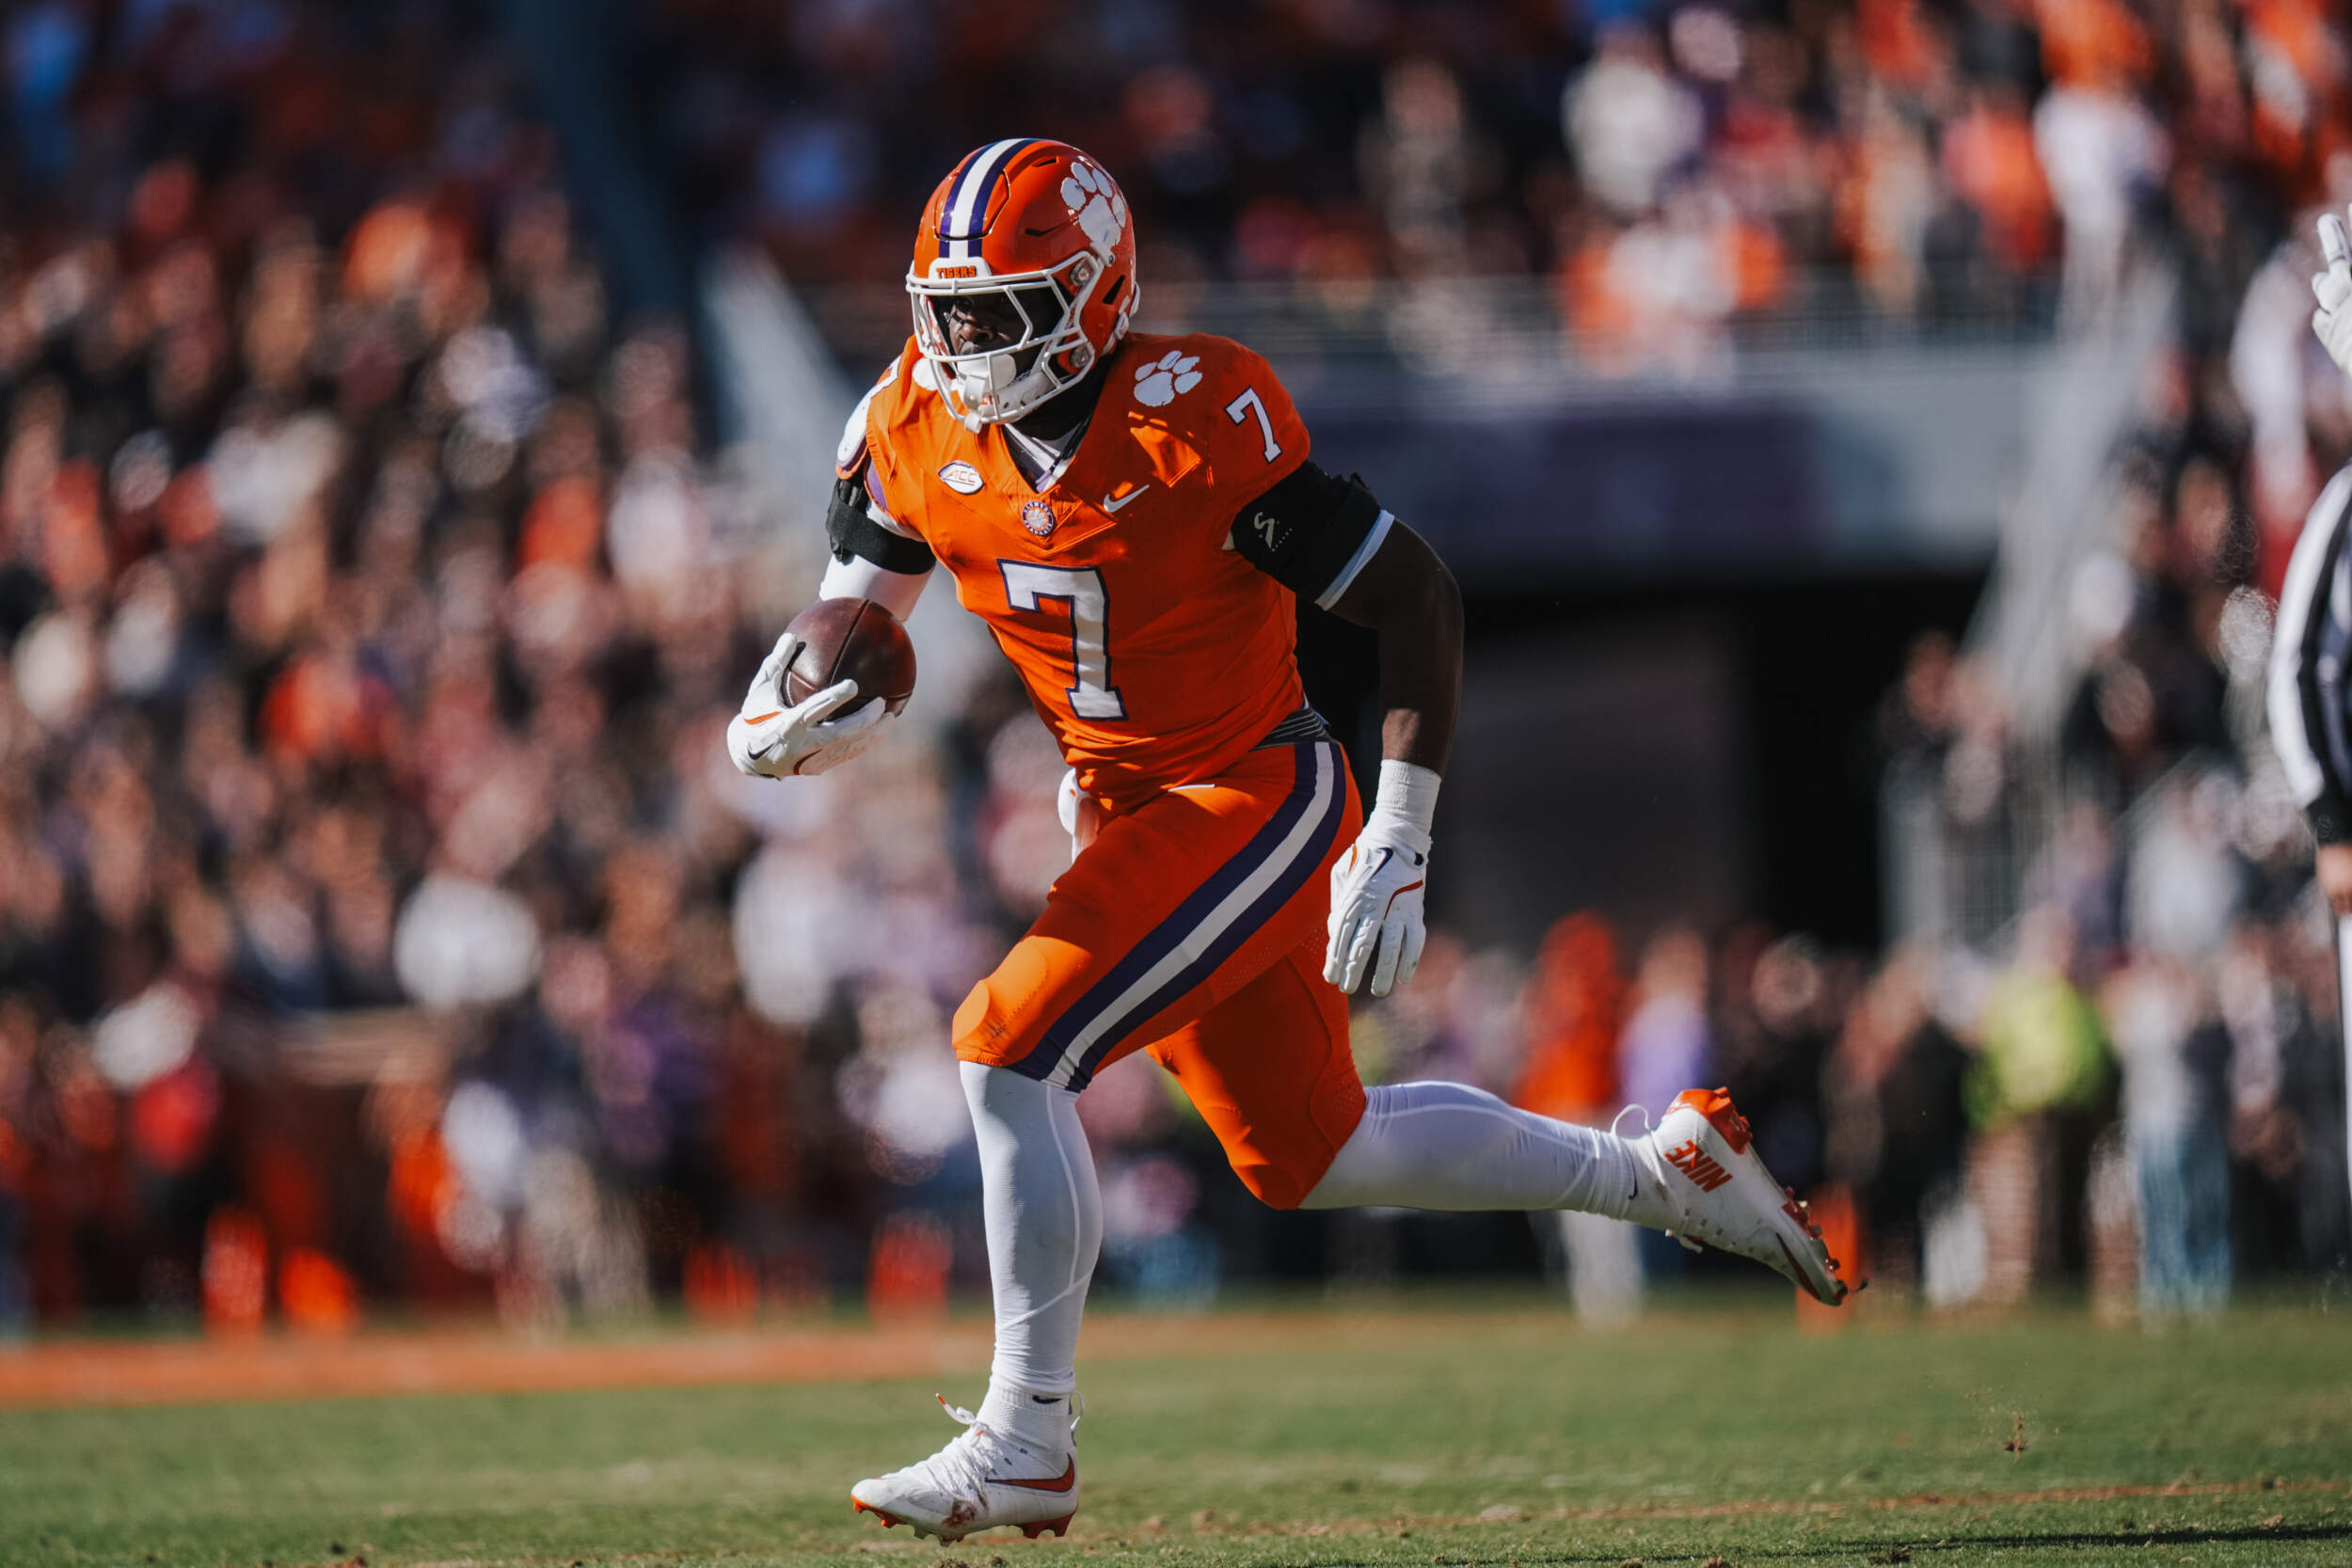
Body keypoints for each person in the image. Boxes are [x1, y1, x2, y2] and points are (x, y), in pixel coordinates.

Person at [725, 139, 1847, 1545]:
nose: (964, 345)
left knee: (1007, 1046)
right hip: (1126, 808)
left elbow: (1417, 599)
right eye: (947, 313)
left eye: (998, 310)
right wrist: (773, 717)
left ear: (1093, 296)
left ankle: (1027, 1437)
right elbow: (849, 617)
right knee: (1315, 1151)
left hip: (1253, 792)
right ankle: (1662, 1175)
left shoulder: (1197, 416)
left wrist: (1403, 830)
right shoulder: (907, 419)